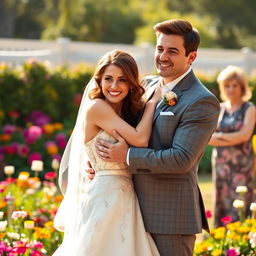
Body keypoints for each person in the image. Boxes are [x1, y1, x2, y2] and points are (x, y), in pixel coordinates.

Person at [91, 19, 220, 256]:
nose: (163, 56)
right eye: (160, 49)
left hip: (168, 217)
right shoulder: (146, 84)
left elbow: (180, 159)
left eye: (172, 51)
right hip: (126, 209)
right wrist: (101, 164)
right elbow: (118, 128)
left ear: (191, 57)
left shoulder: (202, 101)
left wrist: (127, 155)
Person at [53, 50, 161, 256]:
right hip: (104, 197)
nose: (114, 86)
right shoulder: (97, 107)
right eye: (108, 79)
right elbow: (139, 139)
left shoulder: (126, 112)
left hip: (127, 197)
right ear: (99, 81)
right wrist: (152, 104)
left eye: (122, 80)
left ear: (131, 84)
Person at [208, 65, 256, 227]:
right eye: (227, 85)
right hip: (221, 165)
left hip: (241, 166)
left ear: (242, 87)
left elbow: (245, 135)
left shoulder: (249, 108)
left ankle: (242, 240)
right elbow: (207, 138)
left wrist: (220, 136)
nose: (230, 89)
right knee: (222, 200)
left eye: (234, 85)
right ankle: (223, 241)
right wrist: (231, 137)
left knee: (241, 201)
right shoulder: (219, 109)